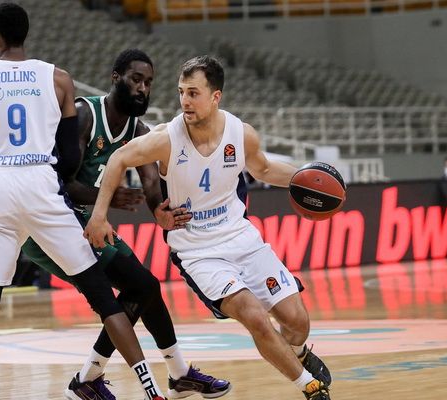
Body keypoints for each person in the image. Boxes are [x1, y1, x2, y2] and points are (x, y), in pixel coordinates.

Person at [0, 4, 167, 400]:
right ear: (25, 35)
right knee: (104, 299)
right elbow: (67, 161)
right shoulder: (58, 79)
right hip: (42, 188)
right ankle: (152, 390)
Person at [84, 56, 332, 400]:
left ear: (215, 97)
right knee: (255, 317)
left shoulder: (240, 134)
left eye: (193, 93)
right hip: (198, 251)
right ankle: (310, 387)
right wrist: (99, 216)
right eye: (181, 92)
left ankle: (300, 352)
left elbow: (263, 169)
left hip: (242, 238)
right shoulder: (166, 138)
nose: (185, 101)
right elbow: (118, 159)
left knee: (297, 322)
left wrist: (305, 180)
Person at [20, 49, 231, 400]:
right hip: (49, 222)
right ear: (116, 78)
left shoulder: (139, 130)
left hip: (84, 221)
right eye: (136, 79)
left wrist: (161, 213)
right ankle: (96, 378)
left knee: (146, 287)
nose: (142, 88)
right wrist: (109, 197)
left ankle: (172, 375)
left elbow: (151, 185)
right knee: (140, 287)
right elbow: (58, 183)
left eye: (148, 82)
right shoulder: (86, 115)